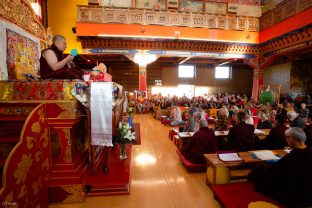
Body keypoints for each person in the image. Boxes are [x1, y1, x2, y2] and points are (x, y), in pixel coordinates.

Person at [253, 128, 312, 207]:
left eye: (287, 137)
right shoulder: (309, 151)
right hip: (309, 192)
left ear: (292, 138)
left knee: (259, 173)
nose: (286, 140)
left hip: (297, 196)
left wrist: (262, 168)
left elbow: (273, 172)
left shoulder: (292, 157)